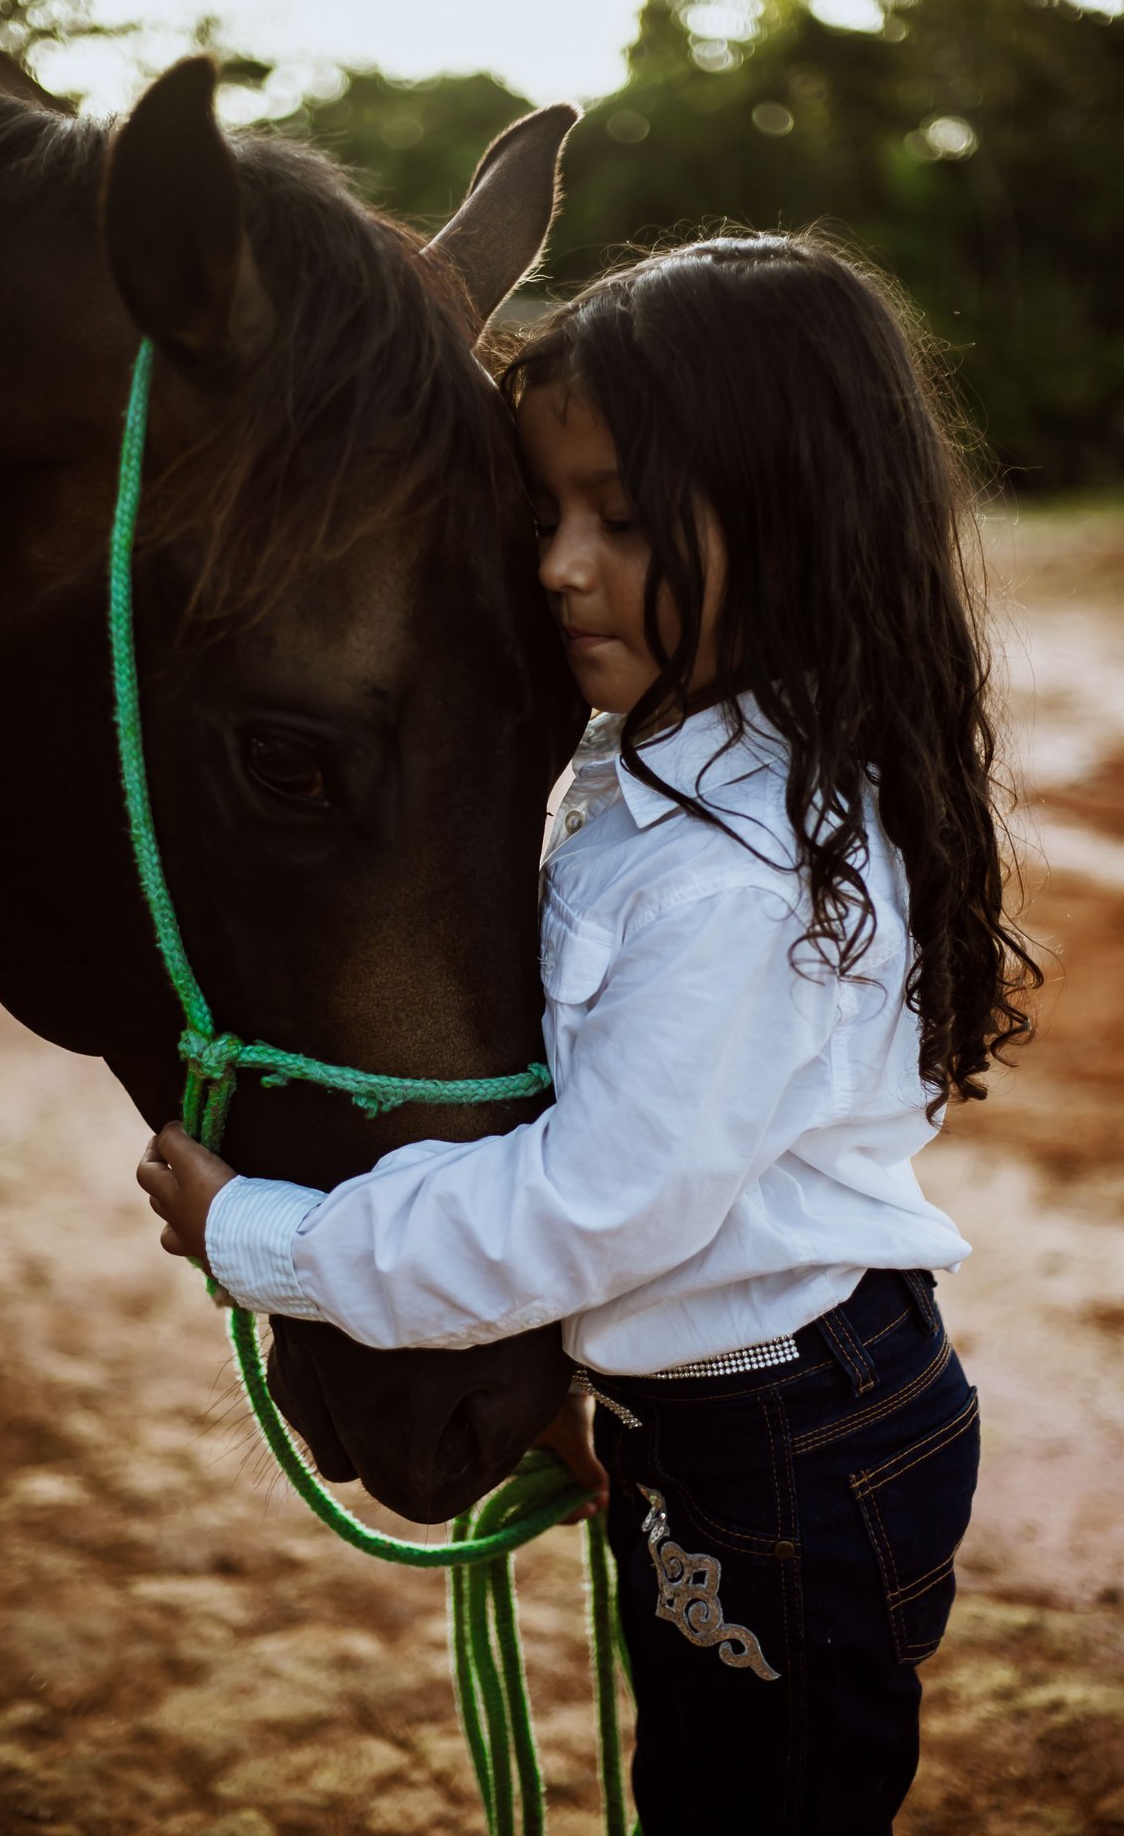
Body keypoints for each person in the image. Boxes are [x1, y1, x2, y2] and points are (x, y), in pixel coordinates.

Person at [136, 230, 1041, 1835]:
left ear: (792, 519)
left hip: (790, 1450)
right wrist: (586, 1366)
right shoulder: (658, 786)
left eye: (619, 520)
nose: (559, 565)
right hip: (736, 1416)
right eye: (543, 512)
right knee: (709, 1782)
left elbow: (597, 1200)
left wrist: (266, 1239)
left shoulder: (734, 873)